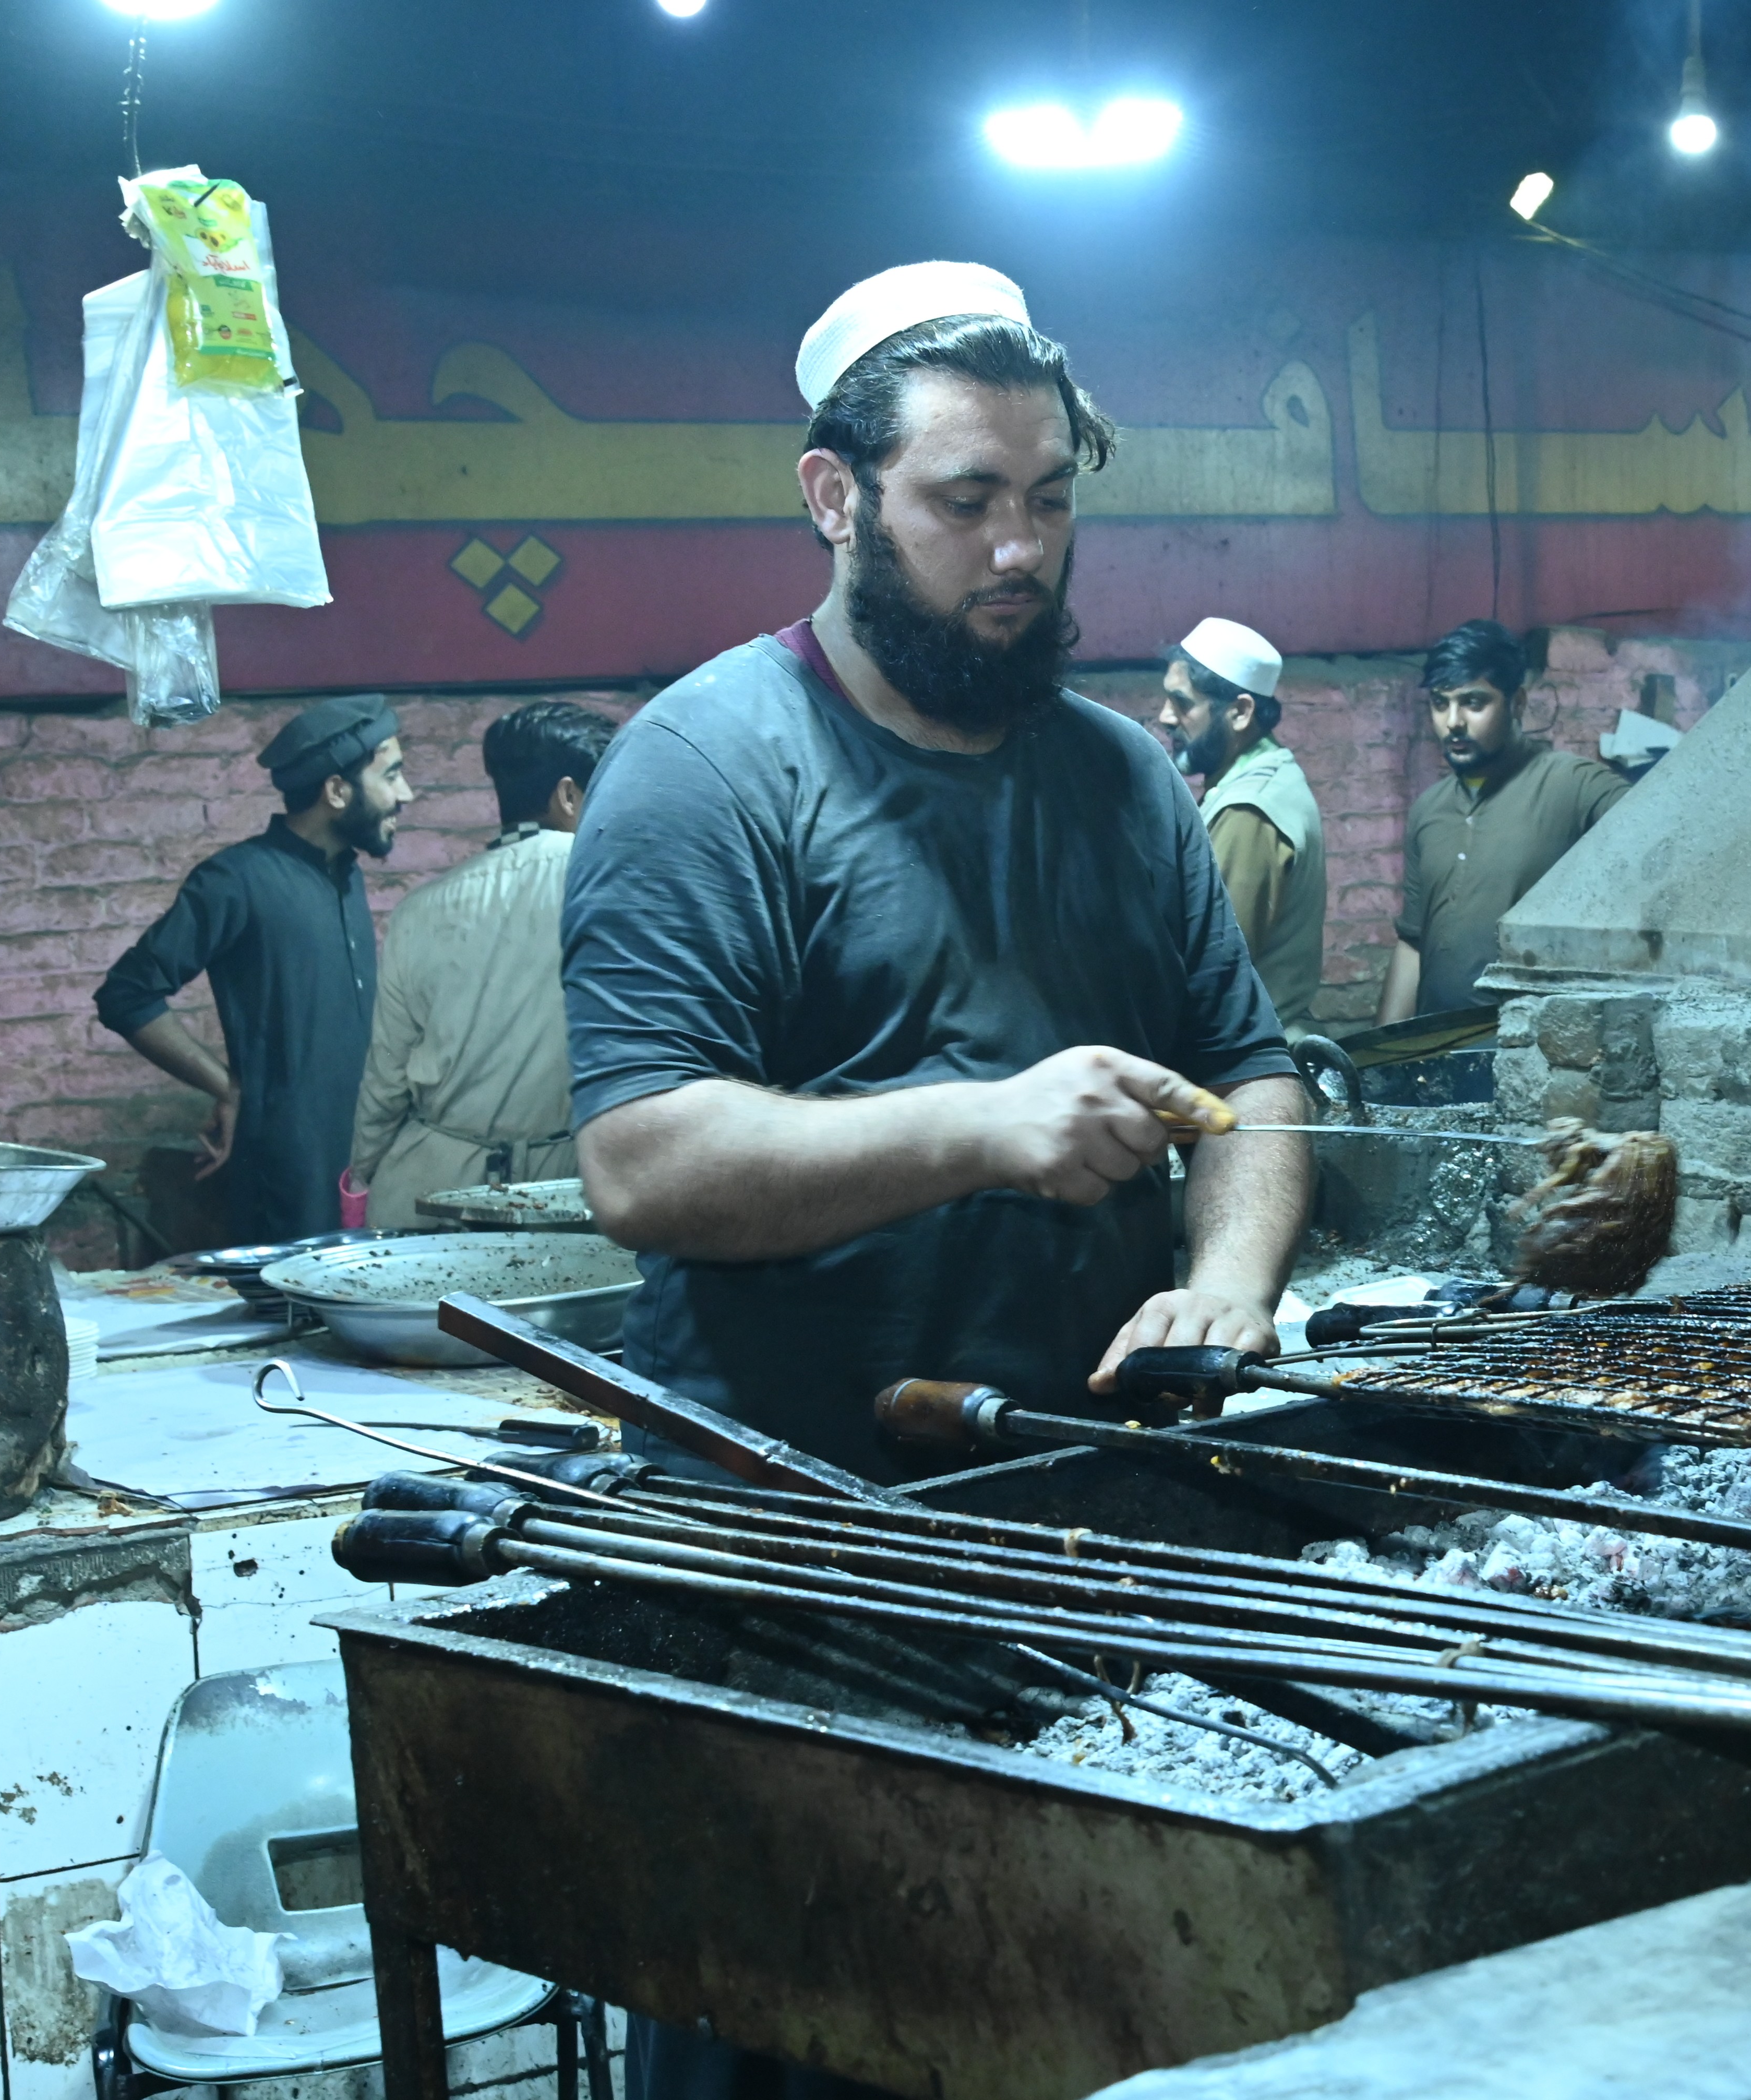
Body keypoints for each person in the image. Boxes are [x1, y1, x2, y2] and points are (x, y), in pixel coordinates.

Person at [567, 261, 1314, 2095]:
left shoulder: (1121, 785)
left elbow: (1254, 1074)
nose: (1018, 550)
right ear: (835, 496)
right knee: (804, 2028)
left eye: (1048, 498)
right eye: (963, 501)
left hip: (1085, 1515)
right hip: (796, 1545)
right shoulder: (706, 769)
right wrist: (984, 1124)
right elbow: (642, 1159)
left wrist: (1229, 1278)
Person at [94, 694, 413, 1245]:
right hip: (285, 1172)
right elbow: (127, 993)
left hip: (360, 1162)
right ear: (337, 792)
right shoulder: (235, 880)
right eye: (392, 776)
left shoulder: (346, 875)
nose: (405, 794)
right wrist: (229, 1088)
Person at [347, 700, 618, 1228]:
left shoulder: (420, 910)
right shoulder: (612, 888)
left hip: (429, 1194)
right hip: (561, 1196)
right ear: (568, 795)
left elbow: (386, 1081)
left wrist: (362, 1176)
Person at [1377, 618, 1629, 1022]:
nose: (1453, 722)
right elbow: (1413, 943)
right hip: (1434, 1048)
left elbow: (1665, 834)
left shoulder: (1574, 786)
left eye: (1474, 703)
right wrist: (1380, 1057)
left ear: (1517, 704)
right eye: (1441, 704)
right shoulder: (1429, 808)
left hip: (1529, 1049)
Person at [1155, 615, 1323, 1027]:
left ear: (1241, 712)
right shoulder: (1251, 780)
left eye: (1183, 703)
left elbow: (1212, 969)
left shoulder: (1249, 809)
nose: (1165, 717)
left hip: (1253, 1069)